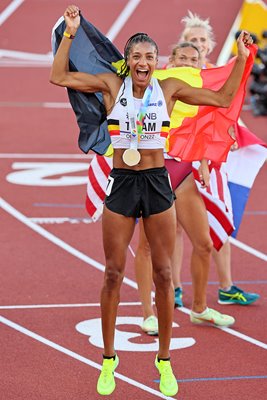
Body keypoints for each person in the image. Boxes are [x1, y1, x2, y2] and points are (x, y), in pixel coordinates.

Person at [50, 5, 252, 397]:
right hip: (123, 182)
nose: (143, 62)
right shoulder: (111, 85)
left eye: (149, 57)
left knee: (163, 273)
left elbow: (223, 97)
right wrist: (71, 33)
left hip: (158, 183)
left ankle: (164, 362)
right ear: (127, 61)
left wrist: (242, 60)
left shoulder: (170, 88)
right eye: (136, 56)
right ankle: (109, 359)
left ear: (156, 62)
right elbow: (58, 76)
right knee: (112, 272)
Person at [135, 42, 235, 338]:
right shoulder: (160, 85)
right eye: (183, 57)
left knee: (204, 244)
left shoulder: (197, 93)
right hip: (155, 169)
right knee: (148, 246)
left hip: (183, 171)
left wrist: (204, 161)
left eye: (195, 59)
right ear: (171, 60)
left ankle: (200, 308)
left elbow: (215, 114)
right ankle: (147, 313)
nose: (189, 63)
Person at [177, 11, 260, 306]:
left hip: (211, 158)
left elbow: (228, 109)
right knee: (174, 226)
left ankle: (227, 286)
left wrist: (235, 134)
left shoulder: (217, 73)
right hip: (181, 157)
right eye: (192, 40)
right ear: (182, 44)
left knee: (219, 218)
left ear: (210, 44)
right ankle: (175, 288)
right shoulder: (175, 73)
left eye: (202, 39)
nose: (198, 44)